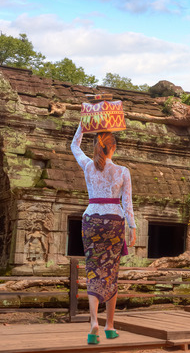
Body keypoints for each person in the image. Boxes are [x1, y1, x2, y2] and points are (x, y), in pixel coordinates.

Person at [71, 123, 137, 345]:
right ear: (113, 148)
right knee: (111, 272)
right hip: (114, 222)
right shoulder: (122, 171)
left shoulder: (88, 166)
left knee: (94, 271)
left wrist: (83, 126)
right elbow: (127, 203)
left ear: (96, 148)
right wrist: (133, 227)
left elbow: (74, 145)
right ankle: (110, 325)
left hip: (91, 220)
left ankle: (93, 324)